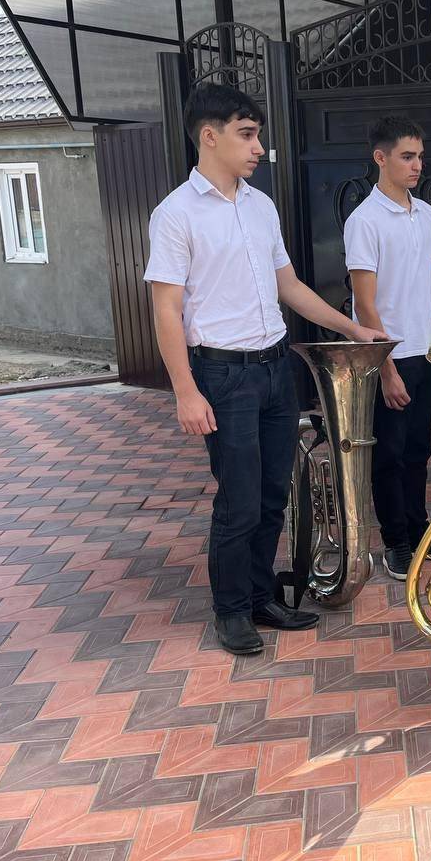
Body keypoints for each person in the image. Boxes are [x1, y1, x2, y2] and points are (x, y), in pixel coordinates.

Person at [146, 83, 385, 656]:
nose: (258, 147)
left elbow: (288, 285)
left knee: (276, 493)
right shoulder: (176, 214)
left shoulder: (261, 205)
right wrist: (185, 391)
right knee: (240, 500)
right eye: (247, 135)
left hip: (277, 368)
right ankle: (231, 611)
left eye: (257, 135)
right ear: (210, 136)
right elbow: (166, 308)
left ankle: (259, 597)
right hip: (222, 377)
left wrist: (351, 328)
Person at [344, 116, 431, 581]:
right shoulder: (364, 221)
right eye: (407, 157)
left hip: (424, 353)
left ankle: (418, 529)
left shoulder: (426, 213)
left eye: (420, 157)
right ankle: (395, 542)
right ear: (380, 158)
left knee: (418, 450)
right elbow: (365, 304)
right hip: (385, 357)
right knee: (388, 455)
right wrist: (386, 369)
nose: (417, 165)